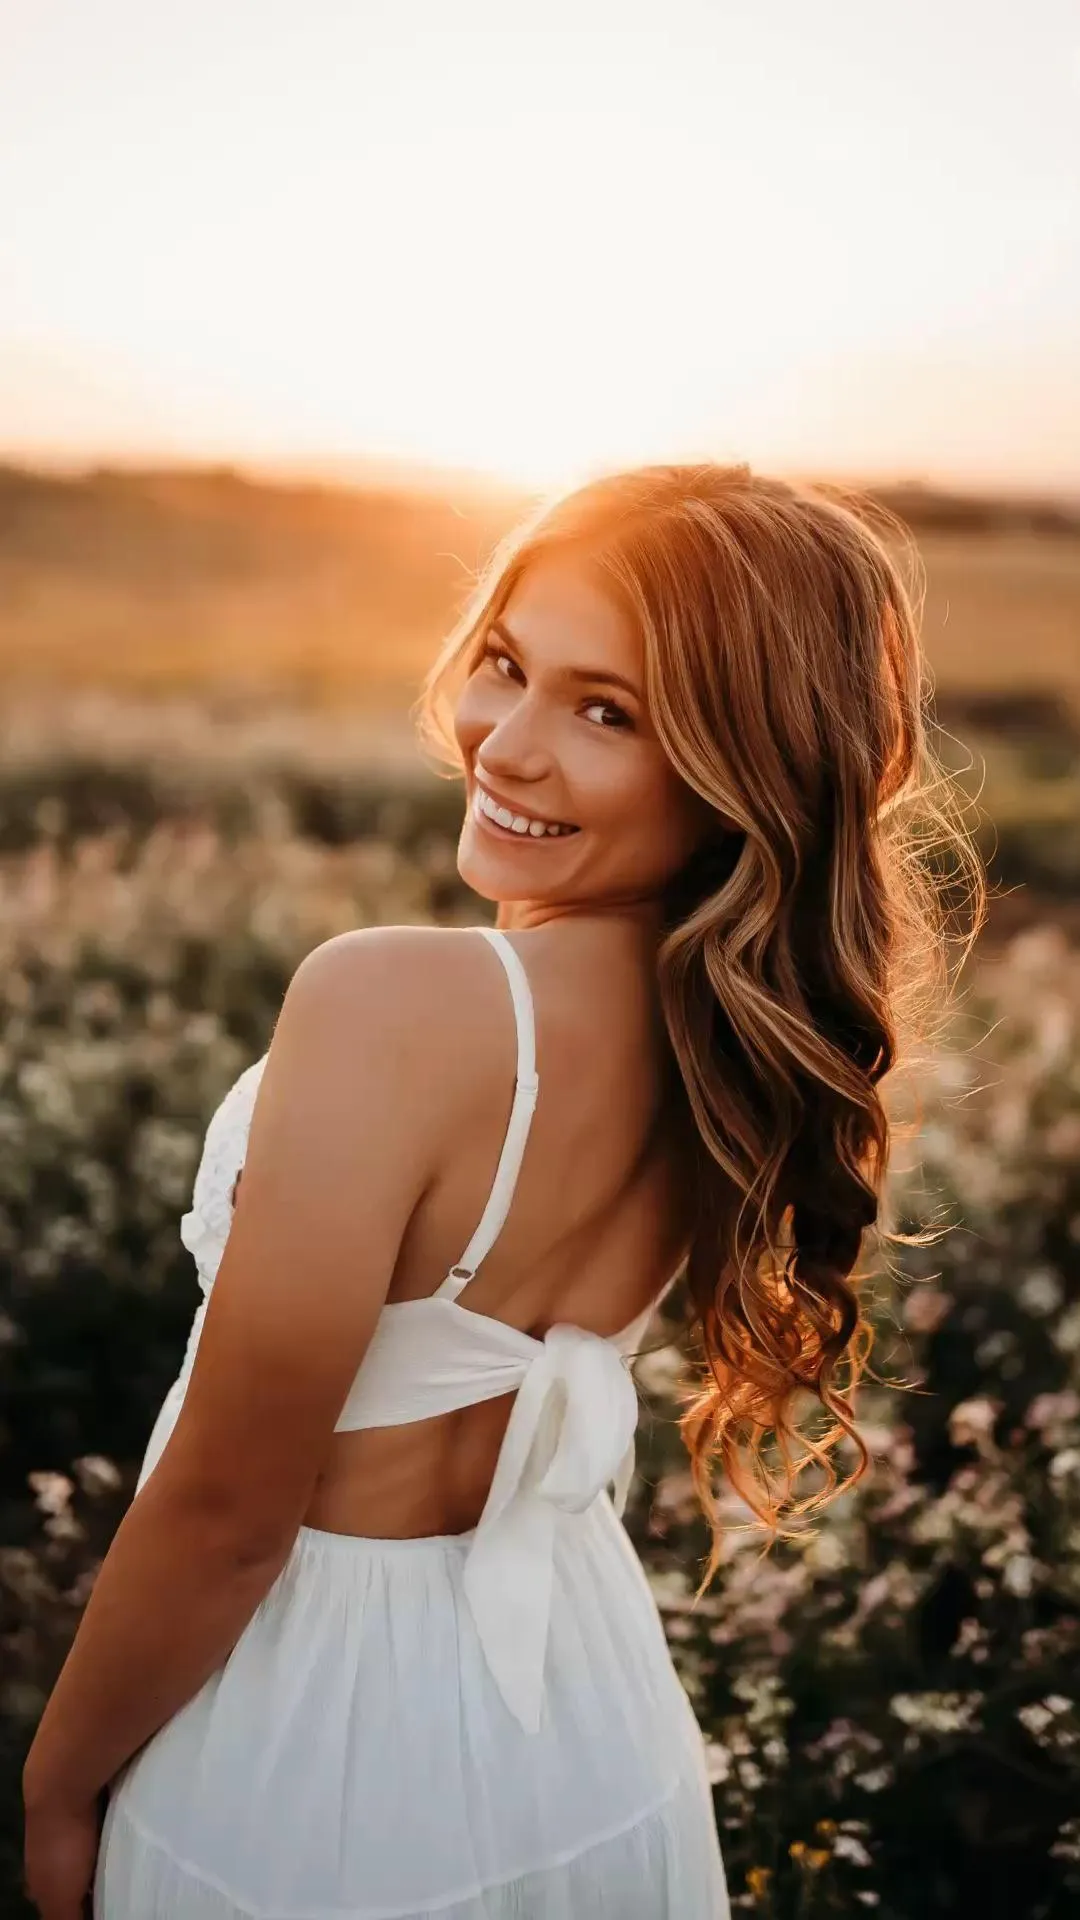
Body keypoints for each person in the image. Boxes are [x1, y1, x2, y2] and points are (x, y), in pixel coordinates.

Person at [23, 462, 982, 1919]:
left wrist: (56, 1781)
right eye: (506, 666)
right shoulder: (730, 1032)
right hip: (577, 1712)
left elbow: (229, 1509)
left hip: (309, 1727)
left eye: (610, 713)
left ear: (742, 766)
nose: (509, 745)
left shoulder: (392, 1000)